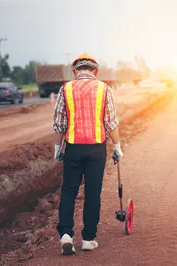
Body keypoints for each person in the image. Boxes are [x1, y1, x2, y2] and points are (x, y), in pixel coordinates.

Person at [52, 52, 123, 255]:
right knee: (92, 193)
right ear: (95, 71)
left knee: (69, 191)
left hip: (73, 148)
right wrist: (117, 146)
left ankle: (66, 235)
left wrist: (59, 148)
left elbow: (59, 124)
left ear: (75, 71)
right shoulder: (104, 89)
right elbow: (110, 122)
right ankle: (88, 239)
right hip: (96, 149)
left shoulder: (65, 89)